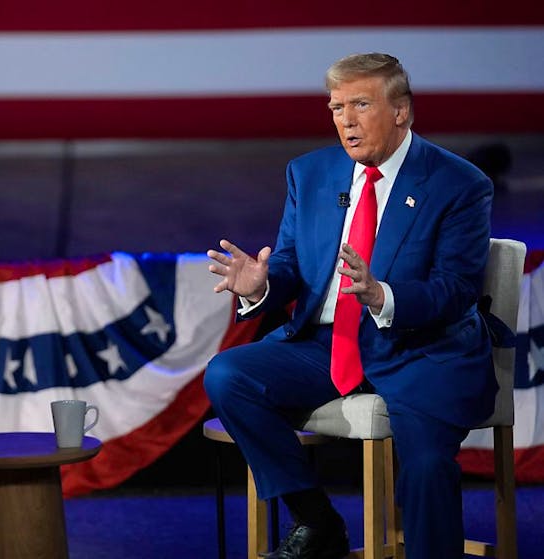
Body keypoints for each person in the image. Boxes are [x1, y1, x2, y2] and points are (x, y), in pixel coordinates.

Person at [204, 53, 496, 559]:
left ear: (401, 111)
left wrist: (383, 295)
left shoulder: (459, 184)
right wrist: (261, 287)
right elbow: (293, 263)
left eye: (361, 104)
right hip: (328, 344)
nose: (346, 120)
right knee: (230, 375)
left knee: (426, 468)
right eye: (337, 107)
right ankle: (316, 523)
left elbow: (456, 289)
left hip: (420, 351)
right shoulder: (310, 173)